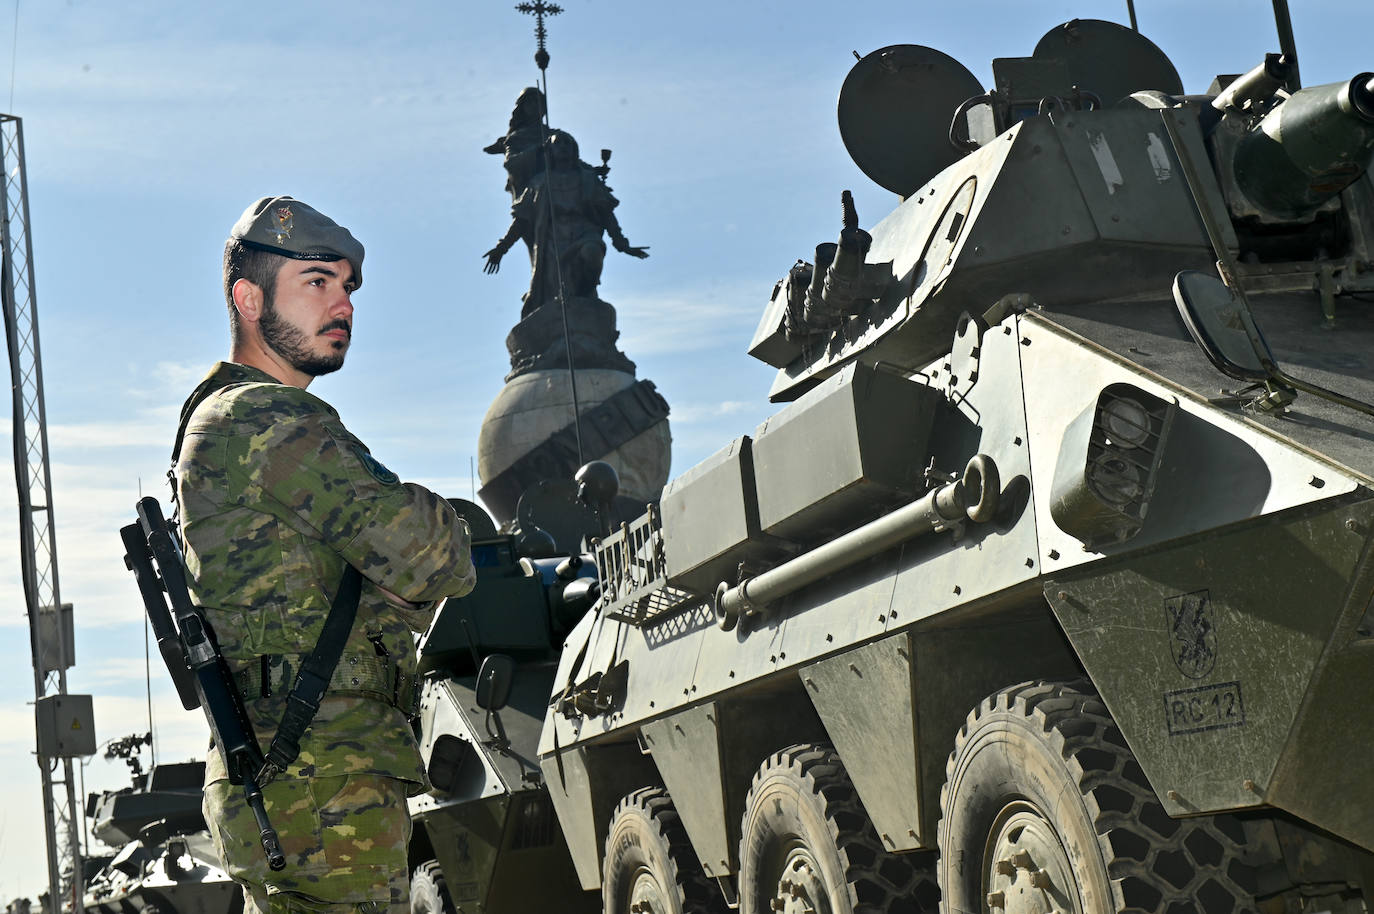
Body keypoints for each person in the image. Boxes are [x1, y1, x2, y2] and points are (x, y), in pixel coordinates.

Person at [171, 195, 476, 914]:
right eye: (316, 282)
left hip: (297, 778)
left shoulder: (229, 418)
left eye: (347, 287)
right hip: (321, 781)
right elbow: (437, 556)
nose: (341, 304)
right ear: (249, 300)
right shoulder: (262, 420)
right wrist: (435, 537)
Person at [483, 130, 648, 318]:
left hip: (584, 233)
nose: (562, 147)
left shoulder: (588, 179)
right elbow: (521, 220)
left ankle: (585, 297)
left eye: (567, 144)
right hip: (553, 240)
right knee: (558, 293)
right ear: (550, 151)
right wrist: (501, 249)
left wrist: (623, 245)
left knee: (592, 254)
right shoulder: (539, 183)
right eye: (557, 144)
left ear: (574, 150)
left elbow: (606, 214)